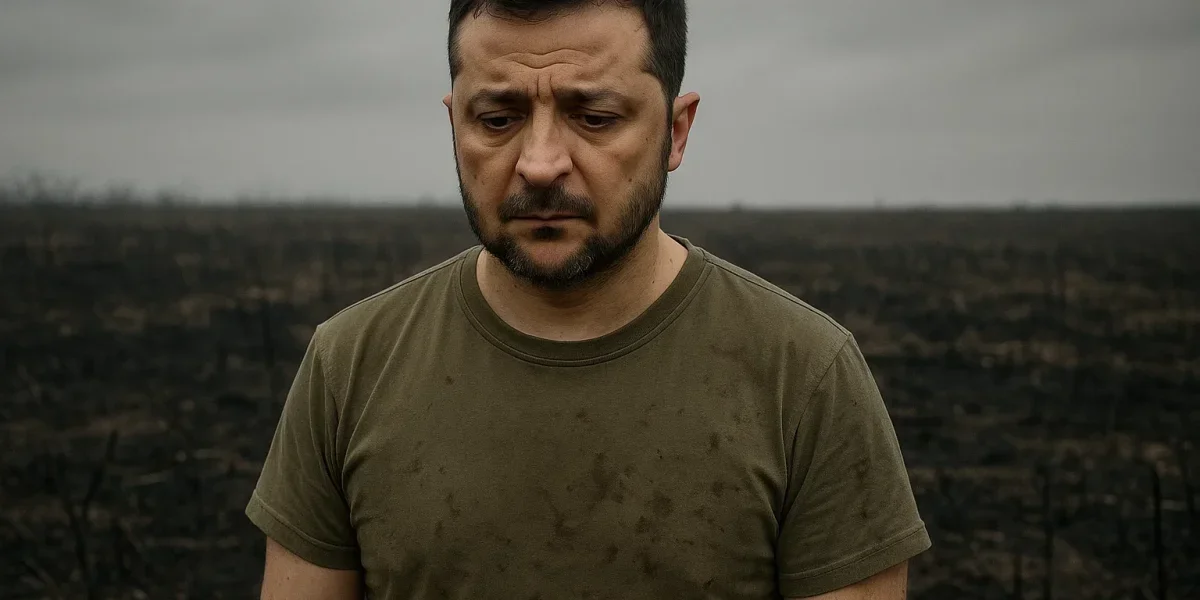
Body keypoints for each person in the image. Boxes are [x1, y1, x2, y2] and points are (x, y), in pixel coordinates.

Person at [244, 1, 932, 598]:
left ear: (677, 131)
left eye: (595, 117)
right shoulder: (350, 366)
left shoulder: (805, 378)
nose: (540, 164)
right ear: (454, 123)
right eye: (498, 118)